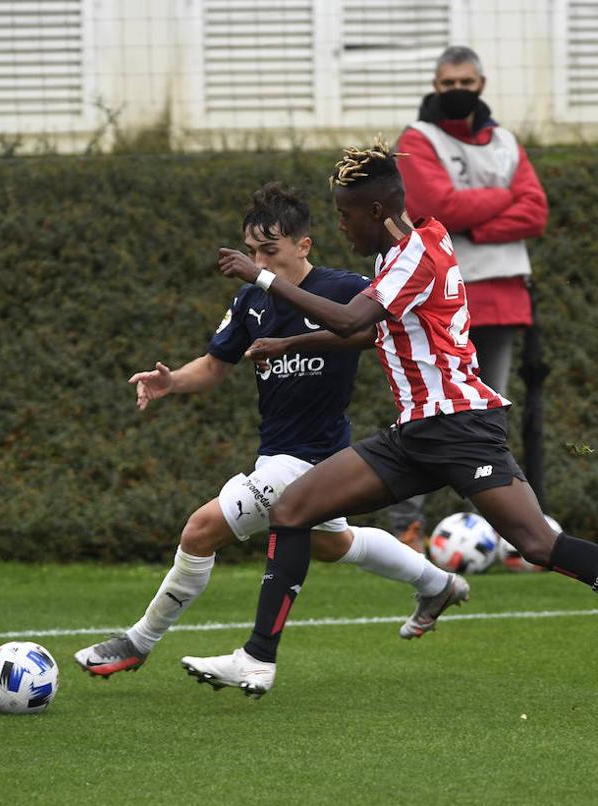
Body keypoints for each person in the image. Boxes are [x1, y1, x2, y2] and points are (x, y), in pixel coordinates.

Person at [180, 142, 598, 698]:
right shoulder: (399, 254)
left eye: (345, 214)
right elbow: (368, 333)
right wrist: (290, 340)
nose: (341, 225)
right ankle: (257, 659)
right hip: (416, 432)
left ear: (377, 212)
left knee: (536, 543)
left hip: (461, 426)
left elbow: (351, 316)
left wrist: (260, 277)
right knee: (293, 511)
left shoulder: (416, 252)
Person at [73, 183, 468, 678]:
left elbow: (372, 332)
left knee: (199, 530)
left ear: (304, 245)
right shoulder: (249, 303)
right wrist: (172, 381)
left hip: (312, 459)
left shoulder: (344, 289)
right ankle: (437, 583)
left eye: (270, 250)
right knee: (333, 544)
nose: (259, 260)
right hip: (281, 456)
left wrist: (296, 339)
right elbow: (216, 365)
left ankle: (138, 641)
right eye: (253, 251)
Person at [384, 45, 550, 551]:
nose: (457, 91)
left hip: (503, 297)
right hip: (441, 299)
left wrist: (469, 217)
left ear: (481, 84)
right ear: (436, 86)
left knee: (485, 422)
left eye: (466, 83)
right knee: (427, 410)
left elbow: (536, 211)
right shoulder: (418, 138)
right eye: (448, 83)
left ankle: (511, 531)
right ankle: (404, 526)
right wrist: (502, 201)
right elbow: (436, 205)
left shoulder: (504, 140)